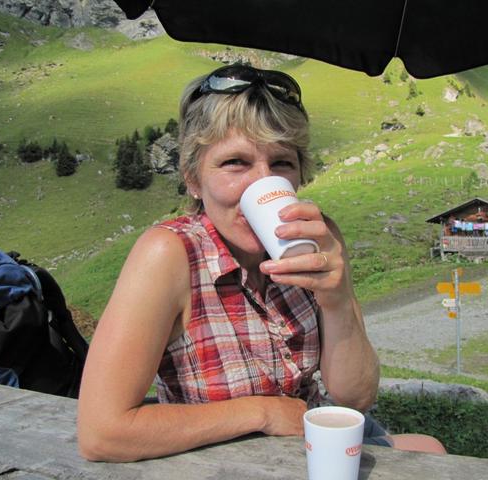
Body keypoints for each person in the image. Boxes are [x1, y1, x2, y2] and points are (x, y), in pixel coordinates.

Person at [77, 64, 445, 461]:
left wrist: (337, 300)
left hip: (310, 440)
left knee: (432, 450)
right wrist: (263, 412)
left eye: (281, 163)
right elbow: (102, 433)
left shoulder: (318, 239)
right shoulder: (169, 255)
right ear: (193, 180)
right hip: (223, 458)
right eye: (235, 162)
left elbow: (355, 397)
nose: (261, 182)